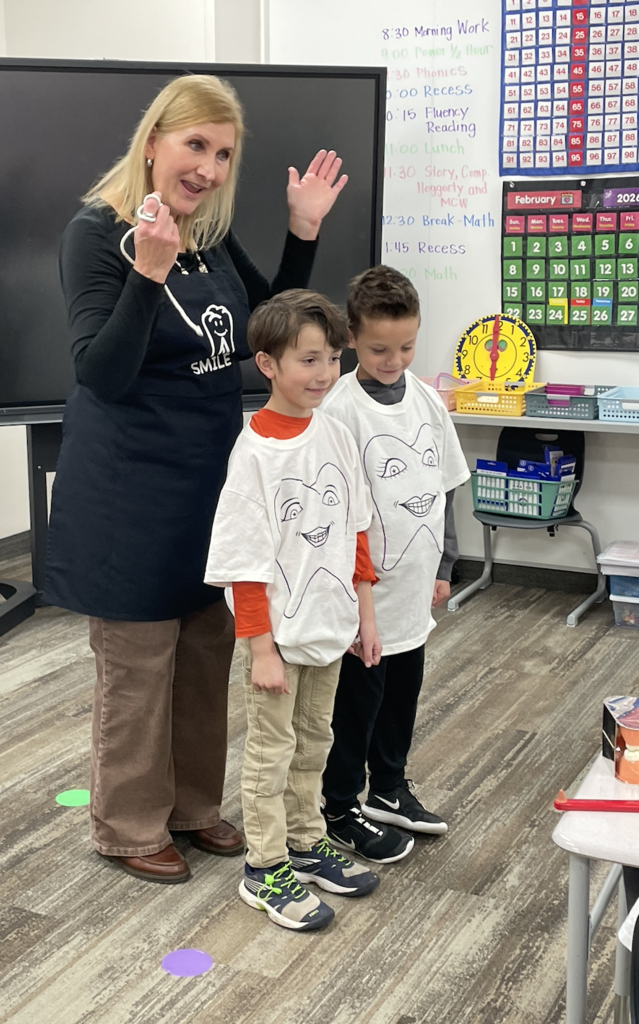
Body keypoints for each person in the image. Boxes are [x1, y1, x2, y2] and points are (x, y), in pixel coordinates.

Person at [43, 74, 348, 884]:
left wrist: (302, 230)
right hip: (128, 492)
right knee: (140, 665)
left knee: (208, 652)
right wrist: (147, 271)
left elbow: (266, 321)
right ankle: (128, 824)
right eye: (194, 146)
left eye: (222, 154)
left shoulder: (206, 234)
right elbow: (99, 373)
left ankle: (192, 807)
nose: (208, 168)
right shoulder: (95, 234)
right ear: (154, 142)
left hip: (212, 485)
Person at [204, 290, 382, 931]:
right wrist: (260, 649)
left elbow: (356, 532)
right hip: (277, 642)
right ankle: (265, 867)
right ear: (267, 363)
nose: (324, 373)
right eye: (309, 359)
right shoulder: (253, 453)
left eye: (332, 358)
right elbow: (244, 563)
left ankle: (306, 844)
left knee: (316, 744)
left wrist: (365, 616)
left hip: (332, 629)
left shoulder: (334, 432)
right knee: (270, 755)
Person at [320, 265, 470, 862]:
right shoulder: (339, 408)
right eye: (380, 348)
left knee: (403, 693)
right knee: (356, 704)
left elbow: (447, 484)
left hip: (412, 589)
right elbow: (334, 514)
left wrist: (445, 565)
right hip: (364, 598)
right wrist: (354, 603)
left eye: (407, 346)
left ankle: (388, 787)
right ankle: (339, 806)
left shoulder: (428, 401)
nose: (394, 359)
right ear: (352, 337)